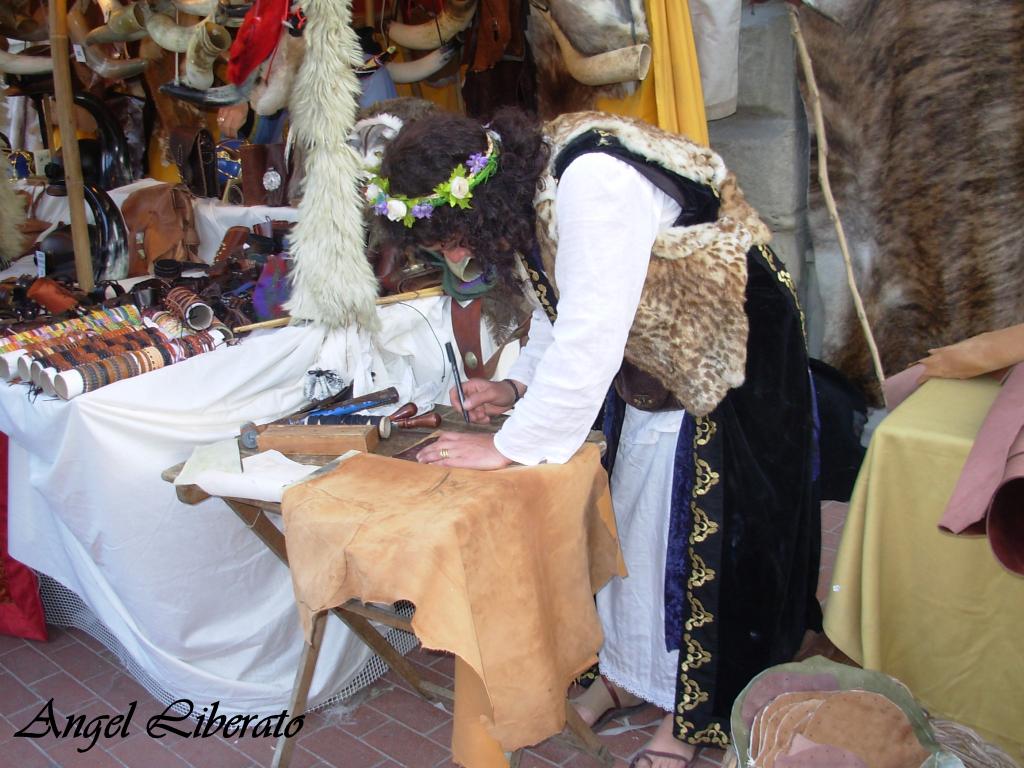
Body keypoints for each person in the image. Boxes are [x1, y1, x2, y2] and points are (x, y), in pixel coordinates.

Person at [371, 107, 822, 768]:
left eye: (449, 241)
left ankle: (690, 718)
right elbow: (558, 299)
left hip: (729, 350)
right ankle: (627, 675)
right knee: (632, 525)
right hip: (653, 356)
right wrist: (520, 388)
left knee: (696, 547)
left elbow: (589, 333)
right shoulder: (524, 183)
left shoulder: (593, 184)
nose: (452, 257)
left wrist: (507, 445)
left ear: (479, 201)